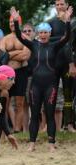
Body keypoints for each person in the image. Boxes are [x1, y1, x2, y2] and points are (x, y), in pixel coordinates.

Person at [11, 6, 72, 152]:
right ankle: (32, 143)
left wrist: (68, 22)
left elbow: (67, 37)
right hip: (36, 86)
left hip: (51, 85)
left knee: (50, 114)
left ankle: (51, 143)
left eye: (46, 32)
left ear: (49, 33)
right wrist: (15, 21)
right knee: (35, 114)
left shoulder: (54, 45)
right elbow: (19, 36)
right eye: (41, 32)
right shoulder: (33, 45)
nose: (43, 35)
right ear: (38, 34)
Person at [0, 14, 31, 133]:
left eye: (15, 22)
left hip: (21, 72)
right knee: (5, 101)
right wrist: (15, 53)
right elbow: (2, 56)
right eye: (11, 22)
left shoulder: (25, 38)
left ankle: (18, 130)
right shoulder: (5, 39)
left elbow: (26, 56)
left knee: (20, 102)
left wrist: (9, 54)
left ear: (20, 23)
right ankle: (5, 129)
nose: (13, 24)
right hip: (7, 74)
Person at [49, 0, 76, 132]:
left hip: (69, 63)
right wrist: (59, 39)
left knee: (68, 93)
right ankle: (49, 123)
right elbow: (45, 39)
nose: (59, 7)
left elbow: (69, 43)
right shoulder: (50, 22)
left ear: (67, 5)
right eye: (57, 4)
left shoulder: (73, 22)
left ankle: (69, 124)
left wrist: (72, 64)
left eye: (62, 4)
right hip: (54, 63)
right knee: (52, 93)